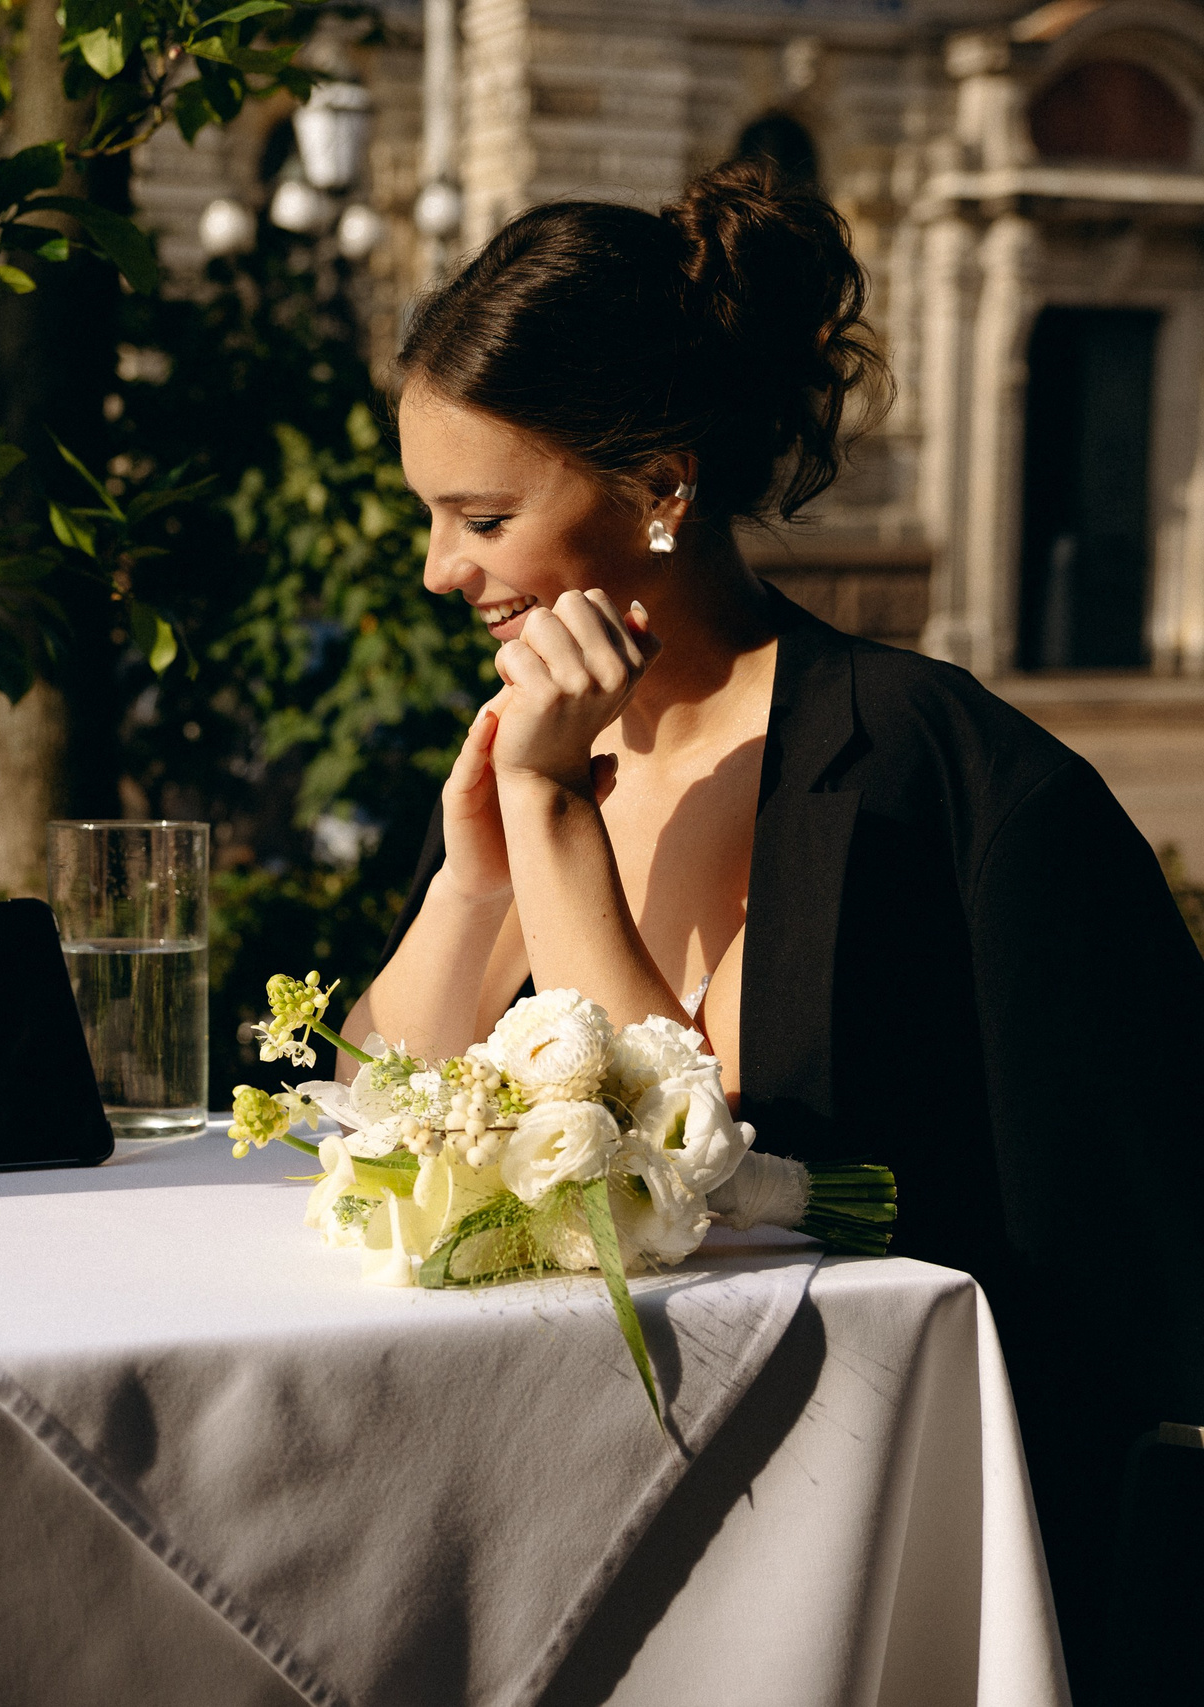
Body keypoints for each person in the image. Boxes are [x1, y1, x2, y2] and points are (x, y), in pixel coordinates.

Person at [345, 157, 1204, 1693]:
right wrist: (479, 875)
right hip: (532, 1508)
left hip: (862, 1548)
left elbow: (696, 1202)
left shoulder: (937, 785)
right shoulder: (526, 753)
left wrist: (554, 823)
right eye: (429, 514)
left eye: (481, 515)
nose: (439, 570)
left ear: (663, 485)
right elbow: (371, 1122)